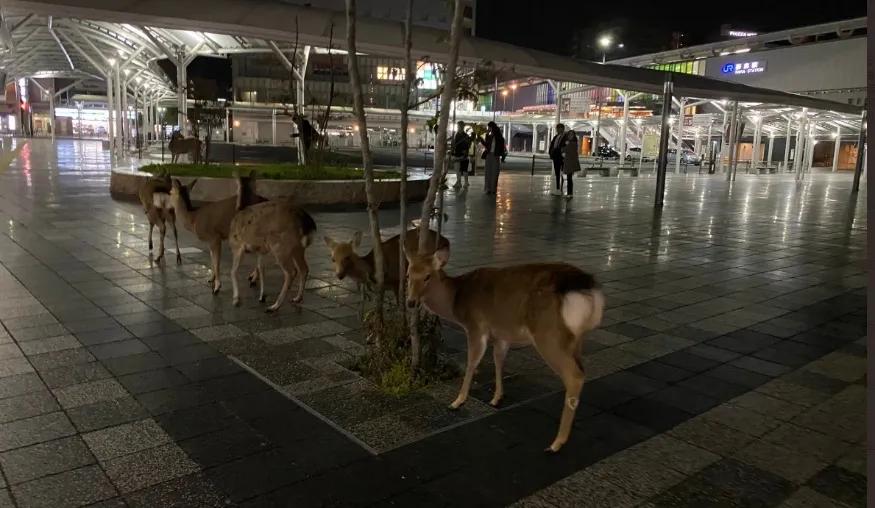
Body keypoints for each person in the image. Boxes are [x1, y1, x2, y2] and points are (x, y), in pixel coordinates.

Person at [479, 121, 507, 195]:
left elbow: (502, 149)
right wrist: (482, 138)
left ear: (492, 128)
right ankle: (488, 189)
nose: (488, 129)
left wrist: (503, 157)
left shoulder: (500, 138)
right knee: (488, 172)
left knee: (495, 173)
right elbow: (486, 145)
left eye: (489, 127)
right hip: (489, 155)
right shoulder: (489, 136)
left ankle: (493, 189)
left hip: (496, 156)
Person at [561, 128, 581, 199]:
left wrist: (565, 146)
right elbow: (563, 149)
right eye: (569, 135)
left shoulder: (573, 143)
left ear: (574, 136)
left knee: (569, 178)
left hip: (570, 162)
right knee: (567, 178)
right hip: (567, 162)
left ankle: (570, 193)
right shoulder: (569, 142)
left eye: (572, 135)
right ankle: (568, 193)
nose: (570, 136)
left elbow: (565, 149)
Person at [452, 121, 472, 189]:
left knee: (464, 170)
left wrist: (465, 152)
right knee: (458, 170)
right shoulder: (456, 134)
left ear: (462, 127)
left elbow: (468, 145)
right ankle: (458, 182)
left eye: (459, 126)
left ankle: (466, 182)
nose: (458, 127)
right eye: (457, 126)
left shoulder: (465, 136)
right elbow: (454, 144)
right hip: (457, 154)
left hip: (463, 155)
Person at [549, 124, 567, 196]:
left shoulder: (566, 137)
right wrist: (550, 153)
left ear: (562, 129)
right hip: (555, 157)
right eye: (557, 129)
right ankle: (557, 188)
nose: (557, 130)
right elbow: (552, 145)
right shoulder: (555, 137)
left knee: (562, 173)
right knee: (557, 173)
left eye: (558, 128)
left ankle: (561, 188)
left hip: (562, 157)